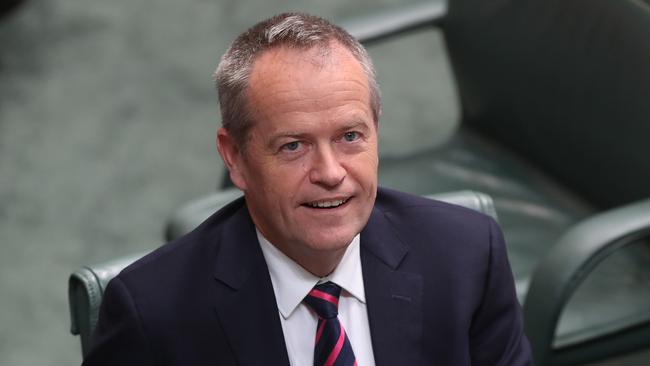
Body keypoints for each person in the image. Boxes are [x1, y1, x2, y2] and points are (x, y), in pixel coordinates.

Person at [82, 12, 532, 366]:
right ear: (235, 157)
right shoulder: (153, 313)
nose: (331, 172)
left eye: (350, 137)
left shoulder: (467, 255)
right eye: (294, 145)